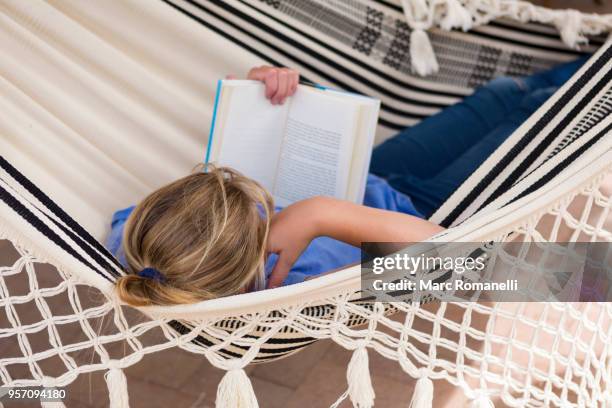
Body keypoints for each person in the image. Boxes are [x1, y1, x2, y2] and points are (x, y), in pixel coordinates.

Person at [107, 59, 586, 306]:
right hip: (426, 210)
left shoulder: (143, 241)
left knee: (502, 95)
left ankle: (594, 63)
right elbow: (470, 268)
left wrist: (256, 93)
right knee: (545, 112)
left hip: (365, 173)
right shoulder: (292, 283)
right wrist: (318, 214)